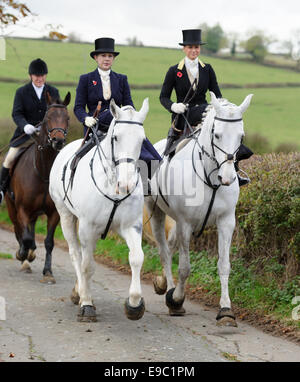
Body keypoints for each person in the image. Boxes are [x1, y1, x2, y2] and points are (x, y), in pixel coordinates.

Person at [160, 29, 253, 186]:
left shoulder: (207, 69)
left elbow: (216, 94)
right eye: (190, 47)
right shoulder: (174, 71)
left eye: (196, 47)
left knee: (226, 132)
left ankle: (235, 169)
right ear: (184, 48)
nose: (193, 50)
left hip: (206, 112)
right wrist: (173, 106)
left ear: (200, 49)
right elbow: (163, 97)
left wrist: (225, 107)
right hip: (184, 116)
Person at [74, 37, 161, 193]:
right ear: (96, 58)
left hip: (120, 125)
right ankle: (75, 183)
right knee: (76, 158)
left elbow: (129, 105)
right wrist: (85, 118)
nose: (107, 59)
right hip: (97, 126)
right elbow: (78, 107)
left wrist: (130, 119)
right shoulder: (86, 79)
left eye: (110, 56)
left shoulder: (121, 79)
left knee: (146, 148)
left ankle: (147, 183)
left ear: (113, 59)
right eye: (103, 56)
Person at [0, 58, 60, 204]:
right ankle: (1, 190)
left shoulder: (53, 91)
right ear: (30, 76)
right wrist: (25, 125)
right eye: (36, 75)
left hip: (48, 136)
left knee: (62, 159)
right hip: (25, 135)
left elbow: (58, 114)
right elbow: (17, 113)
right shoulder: (22, 92)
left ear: (45, 75)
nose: (39, 78)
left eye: (42, 75)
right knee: (9, 158)